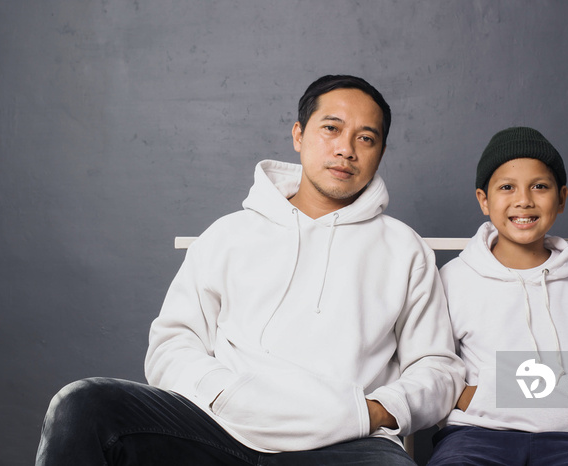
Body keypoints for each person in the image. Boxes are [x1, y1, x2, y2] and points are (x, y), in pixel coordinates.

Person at [36, 75, 465, 466]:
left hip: (346, 442)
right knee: (83, 405)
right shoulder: (229, 234)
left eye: (365, 138)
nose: (345, 149)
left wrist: (372, 412)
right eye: (331, 128)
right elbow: (172, 345)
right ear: (299, 135)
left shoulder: (404, 248)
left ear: (380, 153)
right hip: (217, 428)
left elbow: (438, 368)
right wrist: (226, 395)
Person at [429, 127, 568, 465]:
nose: (524, 200)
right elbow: (437, 361)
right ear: (483, 200)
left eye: (540, 186)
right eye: (507, 187)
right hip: (477, 434)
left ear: (561, 198)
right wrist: (471, 398)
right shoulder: (455, 278)